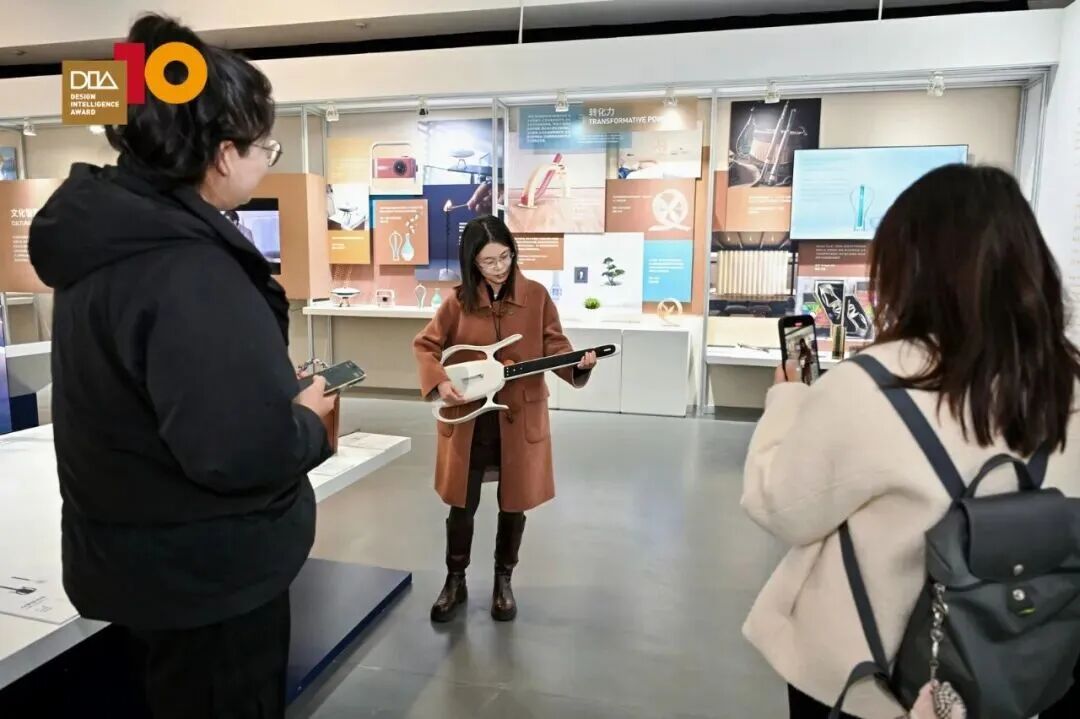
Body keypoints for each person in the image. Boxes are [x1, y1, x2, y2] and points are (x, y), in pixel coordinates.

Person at [28, 14, 335, 719]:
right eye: (264, 147)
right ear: (224, 155)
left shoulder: (104, 244)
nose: (267, 162)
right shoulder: (189, 268)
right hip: (208, 580)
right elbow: (237, 450)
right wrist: (308, 423)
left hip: (136, 562)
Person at [741, 165, 1080, 718]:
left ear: (911, 269)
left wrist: (788, 399)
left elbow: (781, 507)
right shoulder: (1067, 381)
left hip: (875, 682)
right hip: (1025, 666)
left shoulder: (875, 383)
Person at [413, 215, 597, 623]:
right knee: (462, 504)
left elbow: (555, 345)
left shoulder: (536, 296)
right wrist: (440, 380)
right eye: (488, 261)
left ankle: (503, 580)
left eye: (505, 257)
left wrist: (577, 365)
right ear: (471, 262)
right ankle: (455, 580)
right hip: (470, 417)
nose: (499, 268)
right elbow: (425, 345)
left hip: (518, 415)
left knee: (514, 504)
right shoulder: (457, 302)